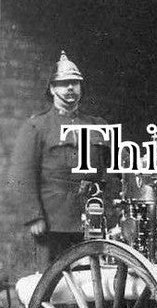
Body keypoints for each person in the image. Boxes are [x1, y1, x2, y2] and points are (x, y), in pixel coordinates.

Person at [9, 51, 109, 269]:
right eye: (64, 83)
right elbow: (21, 175)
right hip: (53, 222)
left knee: (88, 287)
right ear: (52, 89)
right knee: (52, 285)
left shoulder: (97, 126)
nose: (70, 88)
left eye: (75, 83)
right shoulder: (37, 127)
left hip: (89, 218)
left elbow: (114, 168)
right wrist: (33, 216)